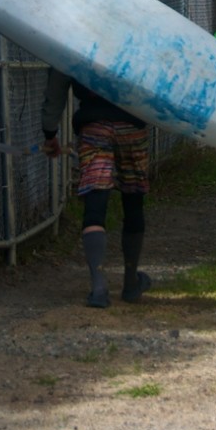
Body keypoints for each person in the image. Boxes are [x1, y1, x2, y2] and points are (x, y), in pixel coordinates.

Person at [41, 67, 152, 308]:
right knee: (133, 199)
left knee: (95, 197)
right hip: (132, 123)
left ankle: (98, 287)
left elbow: (58, 80)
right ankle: (131, 283)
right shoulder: (132, 31)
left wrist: (50, 132)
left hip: (94, 125)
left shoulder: (73, 32)